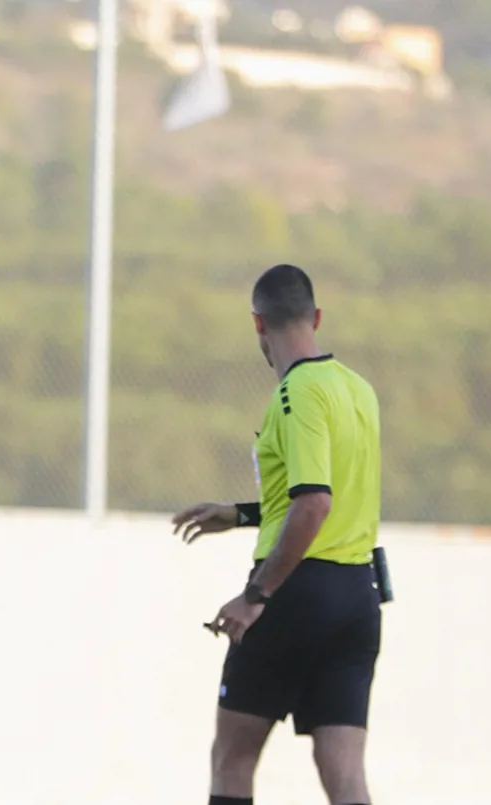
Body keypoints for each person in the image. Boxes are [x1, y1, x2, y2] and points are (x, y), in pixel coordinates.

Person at [171, 264, 382, 805]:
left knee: (233, 758)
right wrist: (240, 514)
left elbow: (314, 504)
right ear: (316, 317)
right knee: (343, 769)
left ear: (258, 324)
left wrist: (255, 595)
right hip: (357, 599)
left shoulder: (296, 393)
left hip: (294, 593)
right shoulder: (358, 390)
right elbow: (326, 498)